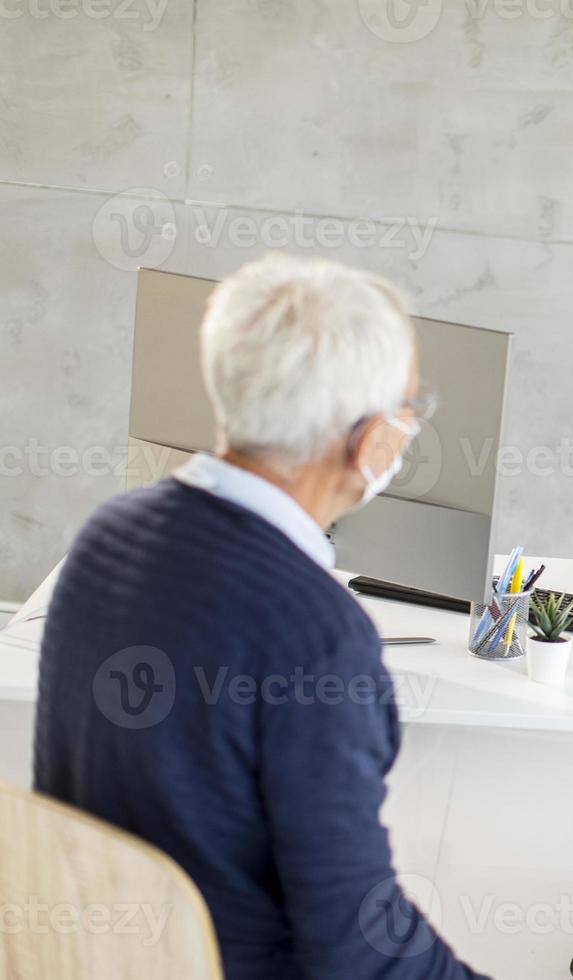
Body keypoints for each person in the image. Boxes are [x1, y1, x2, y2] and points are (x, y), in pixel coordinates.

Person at [33, 255, 489, 980]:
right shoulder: (316, 632)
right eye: (410, 408)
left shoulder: (105, 535)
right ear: (369, 441)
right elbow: (356, 944)